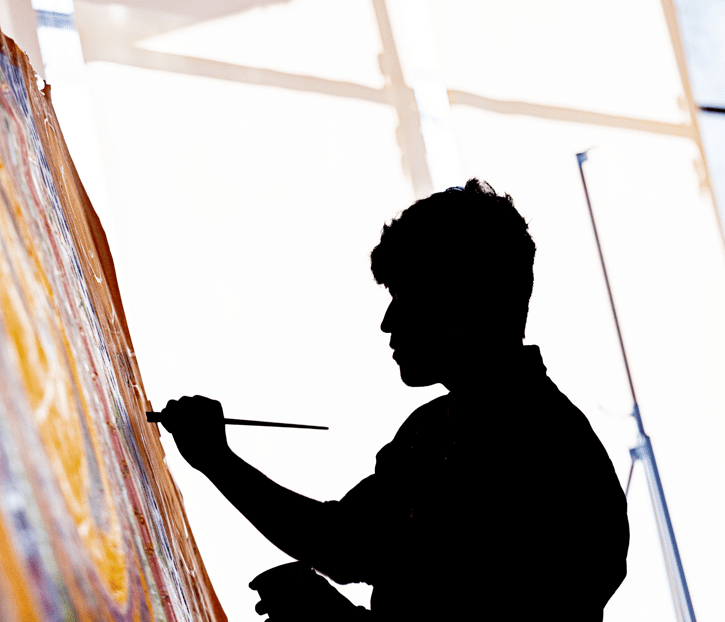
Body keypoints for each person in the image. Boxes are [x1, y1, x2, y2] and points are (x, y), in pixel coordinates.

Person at [159, 180, 630, 621]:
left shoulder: (561, 466)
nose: (388, 323)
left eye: (404, 297)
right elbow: (343, 541)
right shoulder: (437, 426)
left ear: (459, 306)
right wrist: (215, 458)